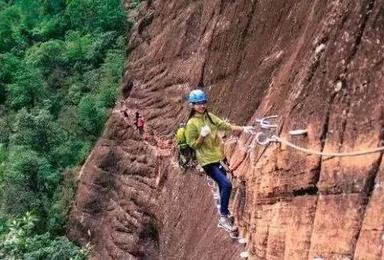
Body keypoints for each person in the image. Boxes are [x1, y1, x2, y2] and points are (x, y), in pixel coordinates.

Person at [184, 89, 255, 233]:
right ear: (192, 105)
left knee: (223, 184)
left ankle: (225, 213)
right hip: (207, 162)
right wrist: (202, 136)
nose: (202, 106)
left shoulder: (209, 117)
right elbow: (193, 145)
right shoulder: (191, 124)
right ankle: (223, 217)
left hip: (218, 158)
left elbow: (224, 125)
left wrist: (243, 128)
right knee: (226, 184)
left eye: (203, 102)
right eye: (198, 103)